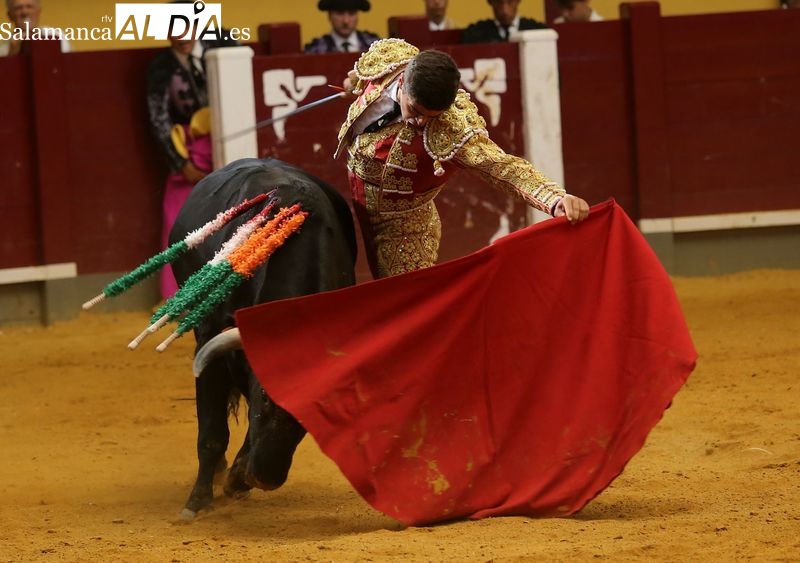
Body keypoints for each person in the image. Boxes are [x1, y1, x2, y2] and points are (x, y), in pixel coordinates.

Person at [336, 38, 589, 279]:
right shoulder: (389, 58)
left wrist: (555, 199)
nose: (421, 122)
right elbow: (358, 77)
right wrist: (353, 83)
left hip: (402, 227)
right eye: (414, 110)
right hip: (356, 197)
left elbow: (501, 166)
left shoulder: (454, 128)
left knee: (406, 299)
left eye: (431, 116)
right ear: (402, 82)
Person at [146, 32, 212, 299]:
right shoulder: (161, 66)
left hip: (227, 143)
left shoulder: (219, 47)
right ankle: (181, 295)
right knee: (178, 219)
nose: (181, 36)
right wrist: (180, 162)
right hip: (189, 149)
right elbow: (159, 119)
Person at [304, 0, 380, 54]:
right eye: (339, 13)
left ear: (357, 16)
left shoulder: (376, 46)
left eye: (351, 13)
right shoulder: (315, 51)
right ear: (329, 16)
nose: (346, 21)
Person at [0, 0, 70, 56]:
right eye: (18, 8)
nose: (25, 12)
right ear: (10, 15)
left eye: (29, 7)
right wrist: (12, 54)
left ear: (39, 12)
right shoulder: (3, 50)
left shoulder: (57, 36)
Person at [461, 0, 547, 44]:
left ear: (518, 1)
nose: (505, 10)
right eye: (498, 2)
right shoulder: (474, 34)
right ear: (490, 2)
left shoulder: (539, 32)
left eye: (510, 2)